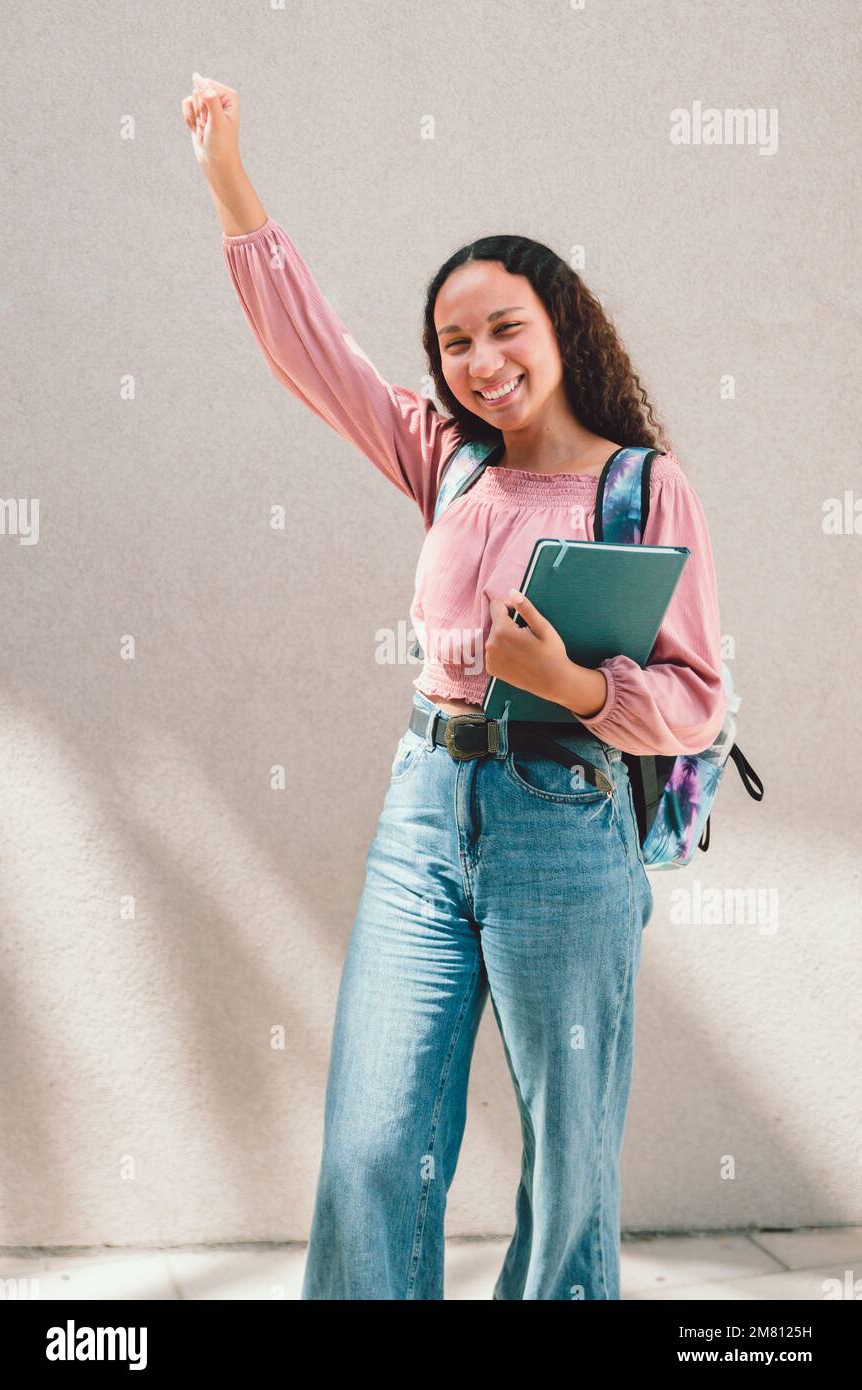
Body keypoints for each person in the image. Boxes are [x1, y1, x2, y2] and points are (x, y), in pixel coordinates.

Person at [182, 73, 726, 1300]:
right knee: (372, 1145)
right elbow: (314, 352)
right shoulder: (446, 460)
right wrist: (227, 178)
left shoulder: (642, 489)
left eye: (504, 329)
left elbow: (695, 697)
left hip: (566, 825)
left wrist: (577, 686)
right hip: (424, 815)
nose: (479, 362)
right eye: (453, 343)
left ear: (562, 325)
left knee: (568, 1164)